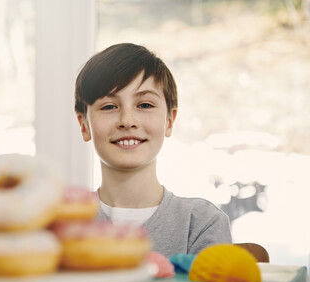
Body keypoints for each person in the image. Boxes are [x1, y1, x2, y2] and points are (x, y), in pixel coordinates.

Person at [74, 43, 232, 257]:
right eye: (109, 106)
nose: (127, 121)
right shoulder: (64, 224)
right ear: (84, 125)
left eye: (145, 105)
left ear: (169, 120)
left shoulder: (201, 223)